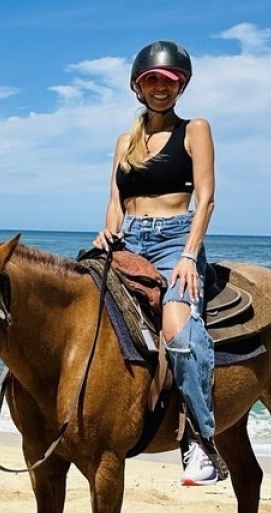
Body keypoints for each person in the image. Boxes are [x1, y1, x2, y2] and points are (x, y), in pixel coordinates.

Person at [93, 40, 227, 486]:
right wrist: (107, 232)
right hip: (128, 236)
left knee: (177, 330)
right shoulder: (124, 140)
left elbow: (206, 197)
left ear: (180, 86)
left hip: (176, 239)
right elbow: (116, 198)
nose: (160, 88)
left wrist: (190, 254)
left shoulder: (195, 130)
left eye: (168, 82)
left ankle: (200, 441)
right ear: (138, 86)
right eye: (152, 80)